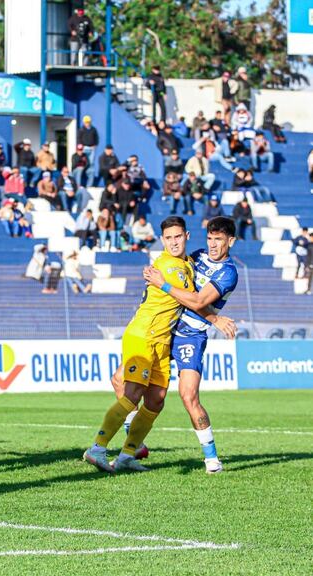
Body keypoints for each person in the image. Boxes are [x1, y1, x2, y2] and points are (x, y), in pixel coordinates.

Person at [83, 217, 197, 473]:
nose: (173, 242)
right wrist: (217, 317)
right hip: (144, 335)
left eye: (177, 236)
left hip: (161, 341)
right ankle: (97, 448)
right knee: (133, 393)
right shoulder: (170, 267)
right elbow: (194, 300)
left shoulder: (186, 263)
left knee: (156, 400)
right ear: (162, 240)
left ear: (186, 236)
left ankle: (126, 455)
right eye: (168, 238)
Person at [141, 217, 238, 473]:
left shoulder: (228, 273)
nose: (213, 245)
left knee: (189, 396)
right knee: (127, 383)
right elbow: (175, 276)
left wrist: (161, 282)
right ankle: (134, 442)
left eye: (219, 240)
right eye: (210, 238)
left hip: (191, 336)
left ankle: (212, 459)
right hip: (166, 326)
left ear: (231, 241)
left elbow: (195, 301)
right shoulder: (195, 257)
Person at [77, 116, 99, 185]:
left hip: (91, 148)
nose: (87, 124)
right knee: (82, 163)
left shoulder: (93, 129)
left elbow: (96, 137)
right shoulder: (81, 129)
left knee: (91, 164)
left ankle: (89, 184)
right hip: (84, 148)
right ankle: (80, 181)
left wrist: (95, 145)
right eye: (86, 122)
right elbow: (79, 138)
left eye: (88, 122)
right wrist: (81, 147)